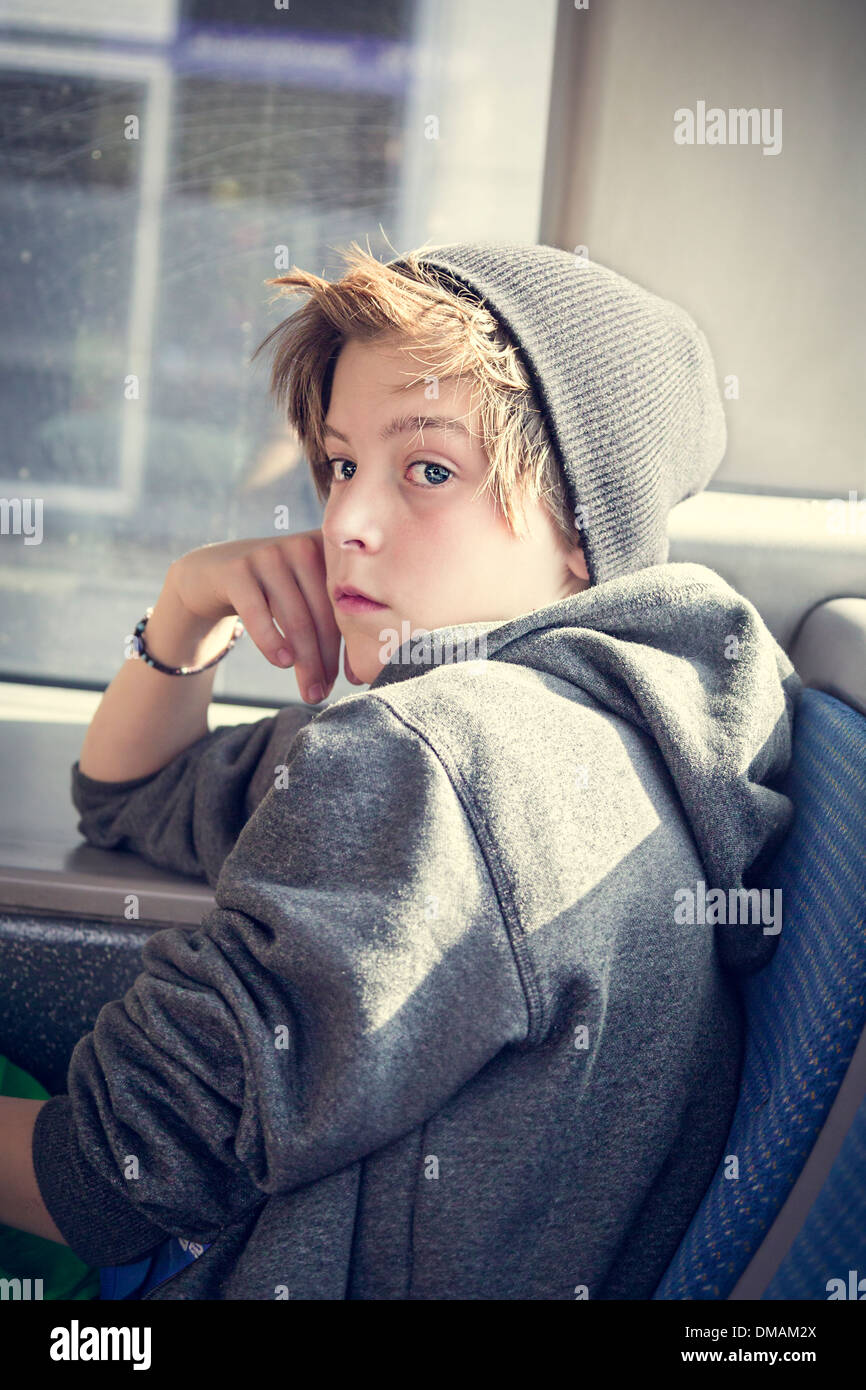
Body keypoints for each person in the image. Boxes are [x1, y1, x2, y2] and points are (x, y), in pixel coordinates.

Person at [0, 241, 802, 1299]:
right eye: (339, 465)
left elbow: (105, 1174)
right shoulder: (581, 721)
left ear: (581, 530)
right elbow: (129, 797)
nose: (344, 523)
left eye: (427, 469)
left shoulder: (439, 760)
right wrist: (189, 610)